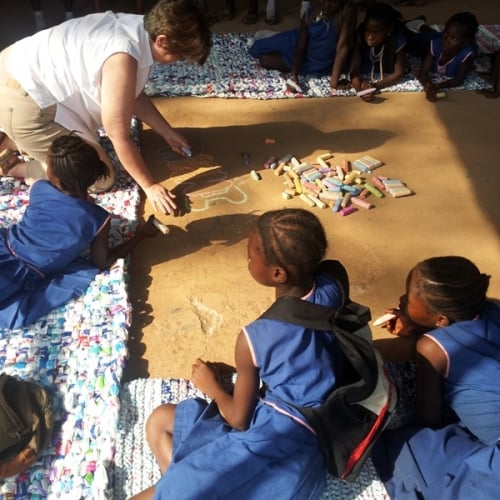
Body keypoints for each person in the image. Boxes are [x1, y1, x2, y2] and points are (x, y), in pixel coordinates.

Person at [131, 208, 350, 499]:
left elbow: (238, 420)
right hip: (312, 459)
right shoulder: (334, 283)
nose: (247, 258)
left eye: (252, 254)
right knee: (161, 421)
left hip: (268, 446)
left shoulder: (254, 338)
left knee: (163, 439)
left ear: (277, 273)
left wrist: (213, 387)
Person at [0, 0, 211, 214]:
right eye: (180, 55)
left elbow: (132, 94)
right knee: (99, 177)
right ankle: (15, 165)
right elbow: (118, 134)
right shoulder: (123, 57)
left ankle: (13, 137)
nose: (178, 61)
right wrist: (149, 185)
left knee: (87, 152)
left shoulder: (140, 27)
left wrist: (166, 131)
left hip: (21, 79)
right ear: (162, 40)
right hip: (24, 103)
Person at [0, 134, 161, 330]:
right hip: (24, 273)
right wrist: (141, 236)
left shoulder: (39, 188)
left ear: (54, 176)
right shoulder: (98, 218)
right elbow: (101, 262)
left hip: (6, 246)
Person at [371, 256, 500, 499]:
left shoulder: (430, 348)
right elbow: (459, 337)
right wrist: (418, 327)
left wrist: (420, 340)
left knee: (402, 449)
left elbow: (427, 420)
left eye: (408, 300)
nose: (401, 301)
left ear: (441, 320)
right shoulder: (492, 310)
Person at [248, 0, 357, 92]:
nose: (326, 5)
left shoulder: (347, 10)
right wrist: (294, 76)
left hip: (314, 63)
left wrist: (334, 82)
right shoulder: (311, 13)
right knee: (256, 49)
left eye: (332, 1)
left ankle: (274, 37)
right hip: (300, 45)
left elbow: (343, 46)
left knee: (265, 60)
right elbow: (300, 47)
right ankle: (270, 36)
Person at [349, 2, 407, 100]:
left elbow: (399, 72)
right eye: (367, 31)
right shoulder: (360, 35)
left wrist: (376, 86)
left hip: (408, 35)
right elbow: (354, 70)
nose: (370, 37)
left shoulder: (397, 38)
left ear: (388, 31)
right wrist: (360, 90)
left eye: (375, 33)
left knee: (420, 42)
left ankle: (417, 24)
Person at [417, 12, 478, 102]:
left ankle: (421, 25)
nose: (446, 40)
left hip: (468, 45)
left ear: (465, 42)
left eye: (454, 38)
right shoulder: (436, 44)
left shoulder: (466, 55)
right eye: (445, 33)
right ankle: (419, 24)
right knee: (414, 39)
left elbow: (458, 80)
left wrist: (437, 86)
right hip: (434, 38)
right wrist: (428, 85)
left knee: (430, 35)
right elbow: (423, 72)